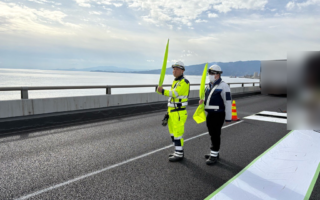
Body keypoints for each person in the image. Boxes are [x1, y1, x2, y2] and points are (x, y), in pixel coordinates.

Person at [157, 61, 190, 162]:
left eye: (176, 69)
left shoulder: (184, 82)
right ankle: (177, 151)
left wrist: (162, 91)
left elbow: (175, 94)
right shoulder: (176, 81)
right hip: (172, 112)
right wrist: (168, 112)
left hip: (179, 113)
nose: (174, 71)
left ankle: (179, 154)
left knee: (178, 134)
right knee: (173, 134)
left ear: (182, 71)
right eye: (173, 69)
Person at [199, 64, 232, 165]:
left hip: (218, 115)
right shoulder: (209, 86)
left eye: (212, 73)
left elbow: (228, 102)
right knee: (211, 134)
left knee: (215, 134)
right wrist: (202, 102)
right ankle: (215, 152)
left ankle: (214, 155)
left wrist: (228, 117)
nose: (210, 75)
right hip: (210, 114)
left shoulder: (224, 86)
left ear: (217, 74)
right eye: (209, 73)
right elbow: (208, 99)